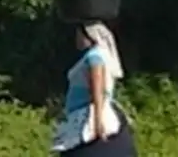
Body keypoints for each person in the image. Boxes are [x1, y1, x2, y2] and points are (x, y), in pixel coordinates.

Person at [50, 22, 137, 155]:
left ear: (89, 36)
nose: (76, 39)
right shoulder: (94, 55)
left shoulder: (94, 56)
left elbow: (98, 85)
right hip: (78, 112)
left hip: (87, 113)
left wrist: (98, 119)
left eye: (79, 35)